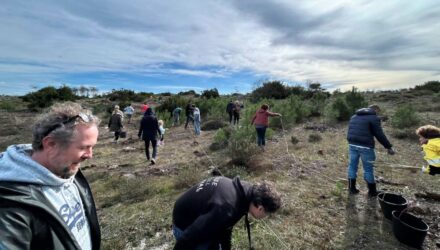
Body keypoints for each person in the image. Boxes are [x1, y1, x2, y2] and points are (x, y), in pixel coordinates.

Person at [0, 102, 101, 249]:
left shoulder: (67, 169)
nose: (90, 155)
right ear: (51, 144)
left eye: (92, 147)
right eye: (83, 147)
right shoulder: (10, 206)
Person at [172, 176, 281, 250]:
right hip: (184, 225)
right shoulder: (227, 208)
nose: (265, 217)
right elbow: (189, 236)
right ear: (260, 208)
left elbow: (225, 228)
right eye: (267, 214)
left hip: (196, 215)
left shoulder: (243, 192)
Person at [347, 104, 395, 196]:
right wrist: (388, 147)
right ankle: (372, 192)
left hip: (352, 144)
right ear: (375, 110)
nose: (377, 114)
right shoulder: (374, 118)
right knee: (368, 169)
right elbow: (379, 134)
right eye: (377, 112)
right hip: (366, 147)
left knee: (352, 166)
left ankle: (351, 189)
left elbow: (350, 130)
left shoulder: (354, 116)